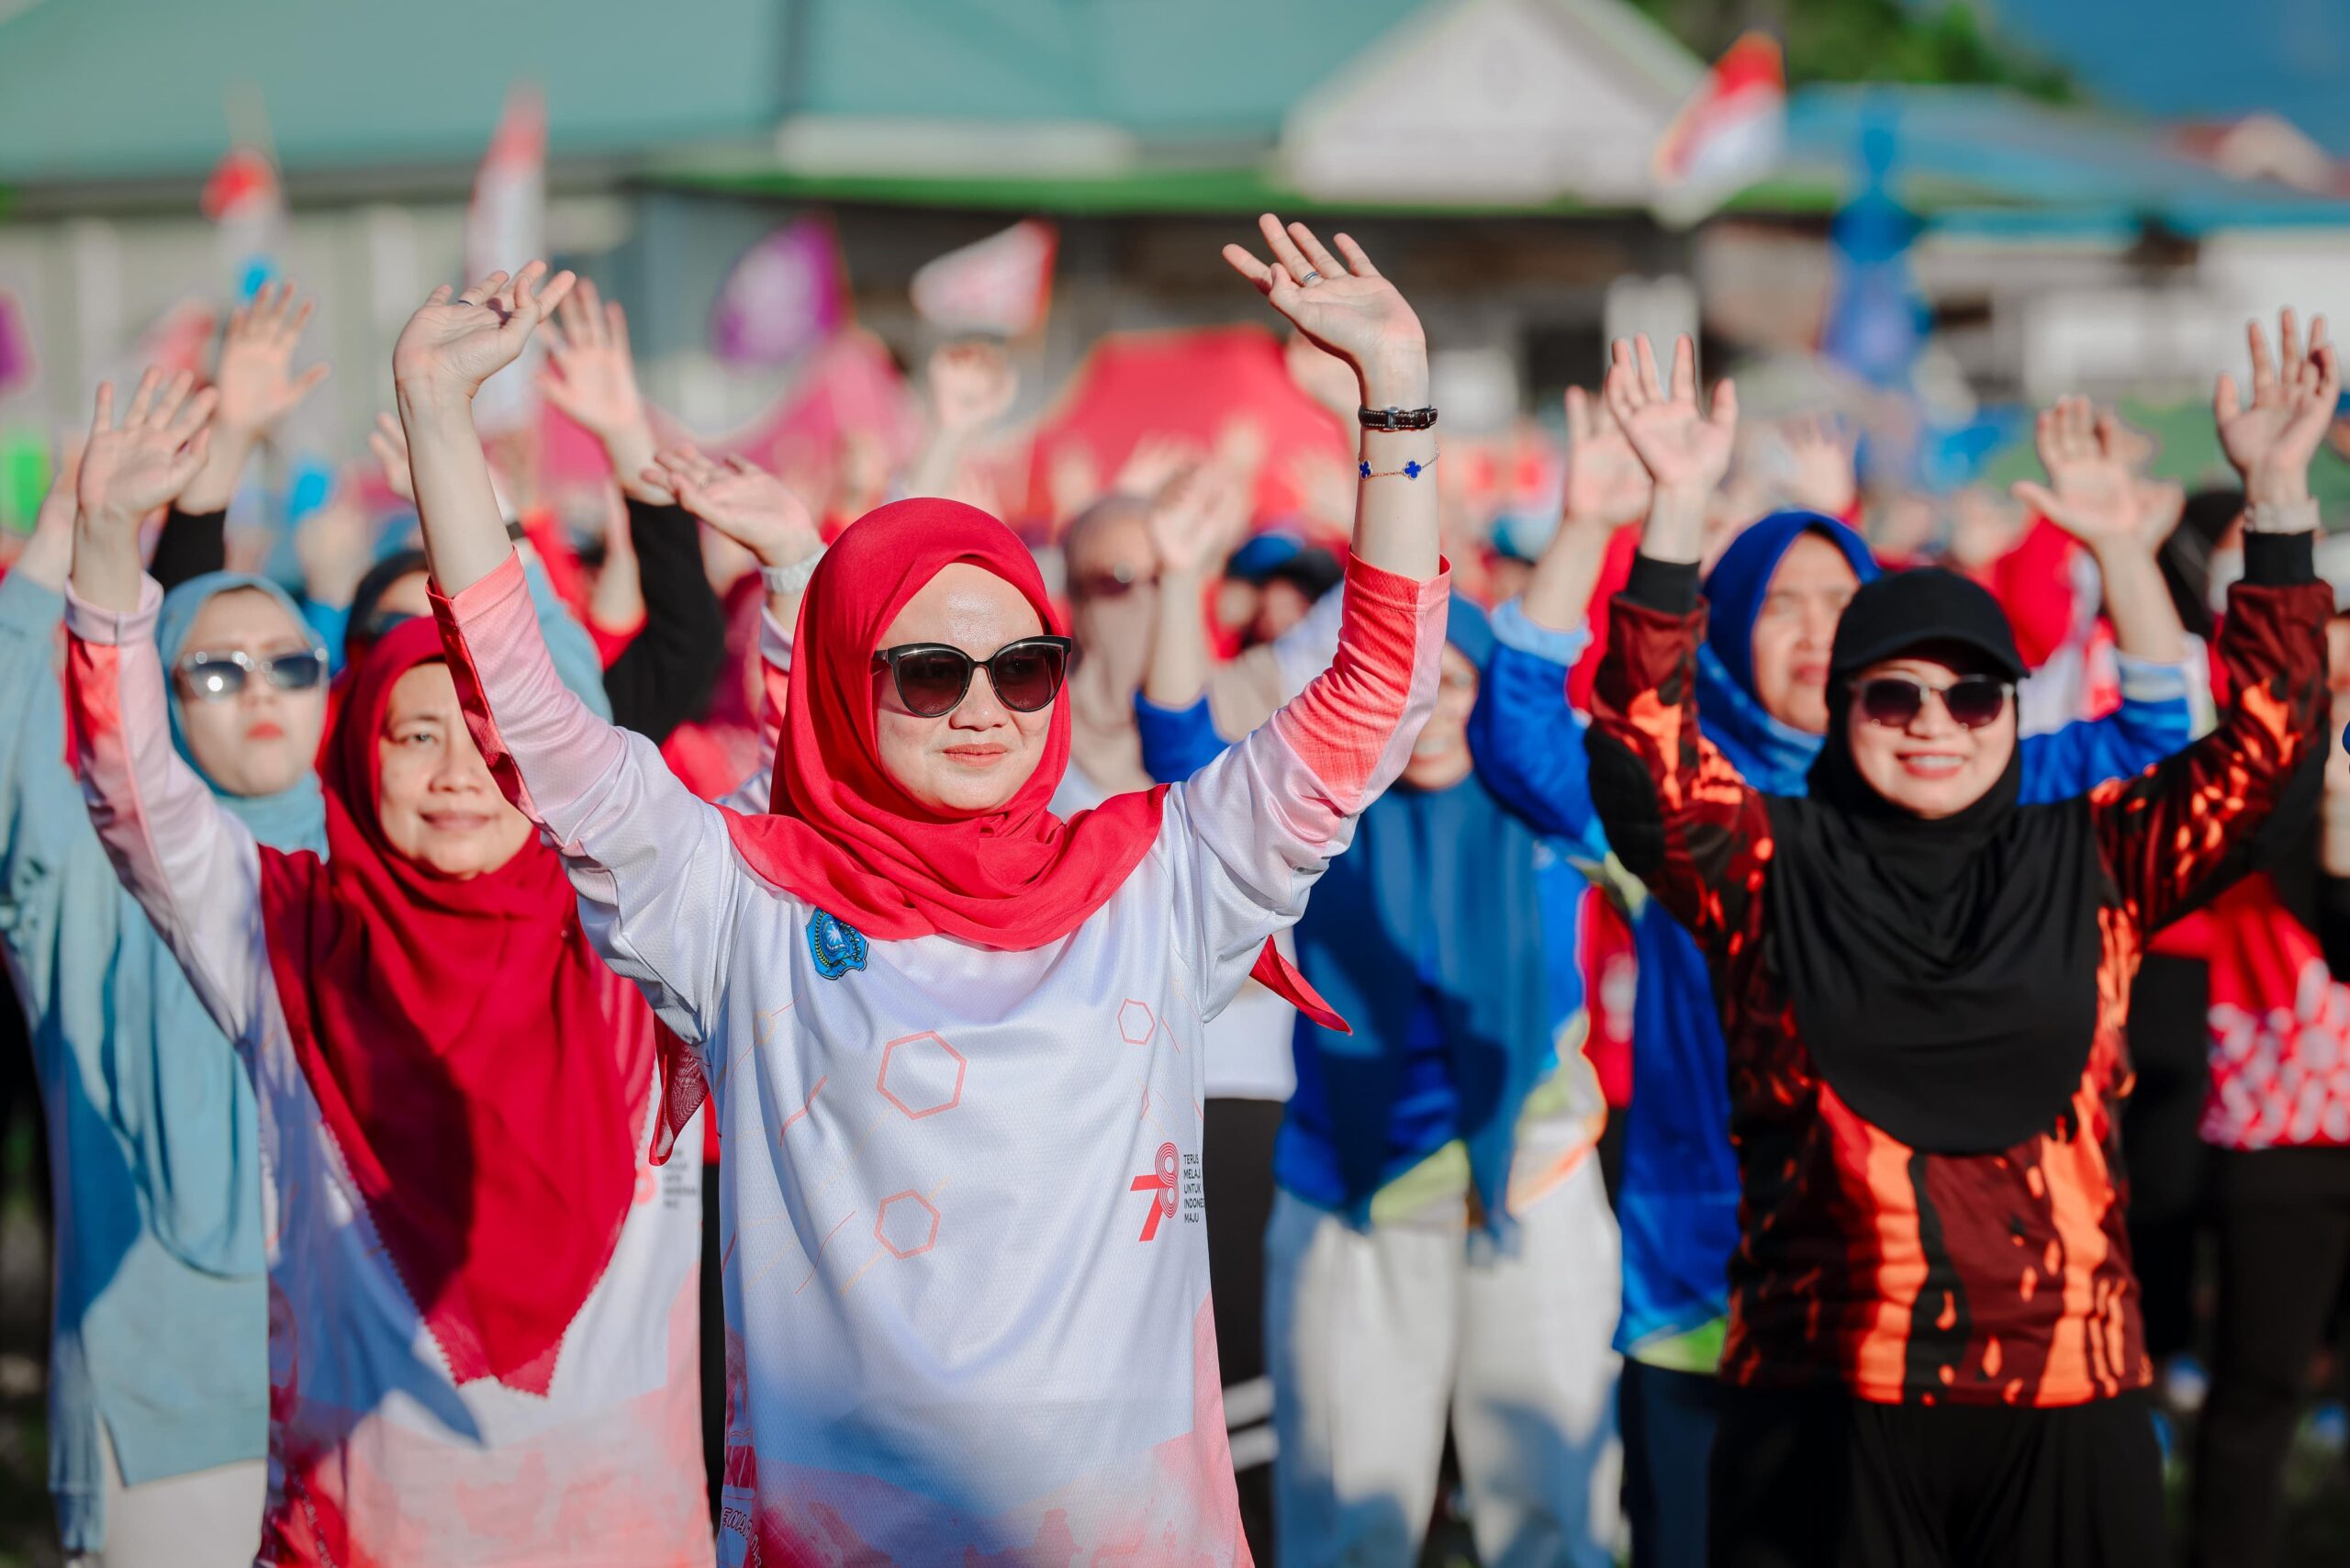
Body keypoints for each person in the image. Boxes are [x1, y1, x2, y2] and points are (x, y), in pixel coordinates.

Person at [399, 214, 1445, 1562]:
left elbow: (1380, 696)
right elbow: (530, 727)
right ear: (840, 680)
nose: (982, 710)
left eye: (1021, 668)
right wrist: (436, 413)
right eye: (927, 672)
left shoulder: (1157, 876)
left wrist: (1399, 393)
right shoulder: (741, 904)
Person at [1581, 322, 2333, 1568]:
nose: (1936, 724)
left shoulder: (2090, 852)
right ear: (1846, 708)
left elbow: (2268, 756)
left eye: (1974, 694)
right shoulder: (1768, 861)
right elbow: (1637, 757)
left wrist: (2280, 497)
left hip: (2067, 1401)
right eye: (1893, 694)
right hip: (1826, 1404)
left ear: (2010, 709)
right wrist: (1672, 513)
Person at [1477, 384, 2199, 1568]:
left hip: (1941, 1336)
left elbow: (2154, 752)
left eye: (1840, 603)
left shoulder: (1970, 773)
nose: (1815, 630)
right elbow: (1519, 736)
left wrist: (2121, 547)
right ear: (1723, 626)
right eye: (1781, 605)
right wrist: (1596, 520)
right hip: (1704, 1294)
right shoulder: (1684, 809)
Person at [62, 381, 713, 1565]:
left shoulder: (653, 952)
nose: (462, 773)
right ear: (360, 748)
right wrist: (107, 551)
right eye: (419, 734)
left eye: (496, 738)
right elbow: (131, 792)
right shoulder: (288, 941)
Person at [1132, 467, 1623, 1566]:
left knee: (1555, 1518)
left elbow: (1553, 679)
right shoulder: (1321, 812)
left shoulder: (1548, 797)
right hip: (1349, 1184)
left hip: (1531, 1172)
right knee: (1347, 1523)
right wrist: (1175, 581)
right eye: (1420, 679)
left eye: (1464, 683)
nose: (1442, 704)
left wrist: (1589, 521)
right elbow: (1177, 756)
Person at [0, 374, 289, 1567]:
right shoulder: (88, 877)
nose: (261, 693)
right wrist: (75, 534)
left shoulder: (374, 863)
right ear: (152, 695)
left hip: (373, 1401)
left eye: (294, 666)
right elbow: (24, 744)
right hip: (171, 1425)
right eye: (215, 672)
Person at [2178, 312, 2350, 1568]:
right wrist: (2276, 494)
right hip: (2284, 1119)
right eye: (2320, 662)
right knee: (2255, 1402)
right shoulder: (2268, 779)